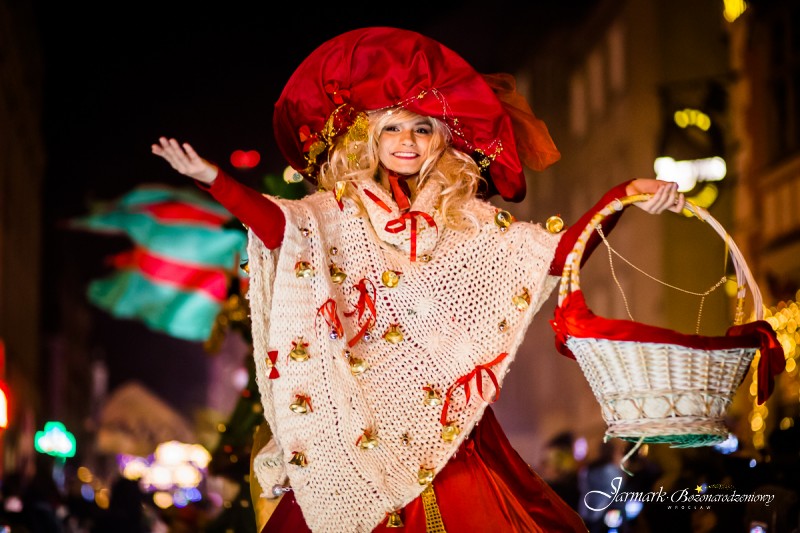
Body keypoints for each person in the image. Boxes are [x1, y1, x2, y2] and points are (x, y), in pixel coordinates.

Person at [152, 26, 686, 533]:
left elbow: (555, 257)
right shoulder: (334, 215)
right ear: (369, 137)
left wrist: (622, 196)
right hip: (356, 439)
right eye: (393, 127)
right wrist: (215, 181)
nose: (407, 140)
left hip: (453, 441)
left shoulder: (468, 223)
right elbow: (278, 227)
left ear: (439, 139)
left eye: (422, 128)